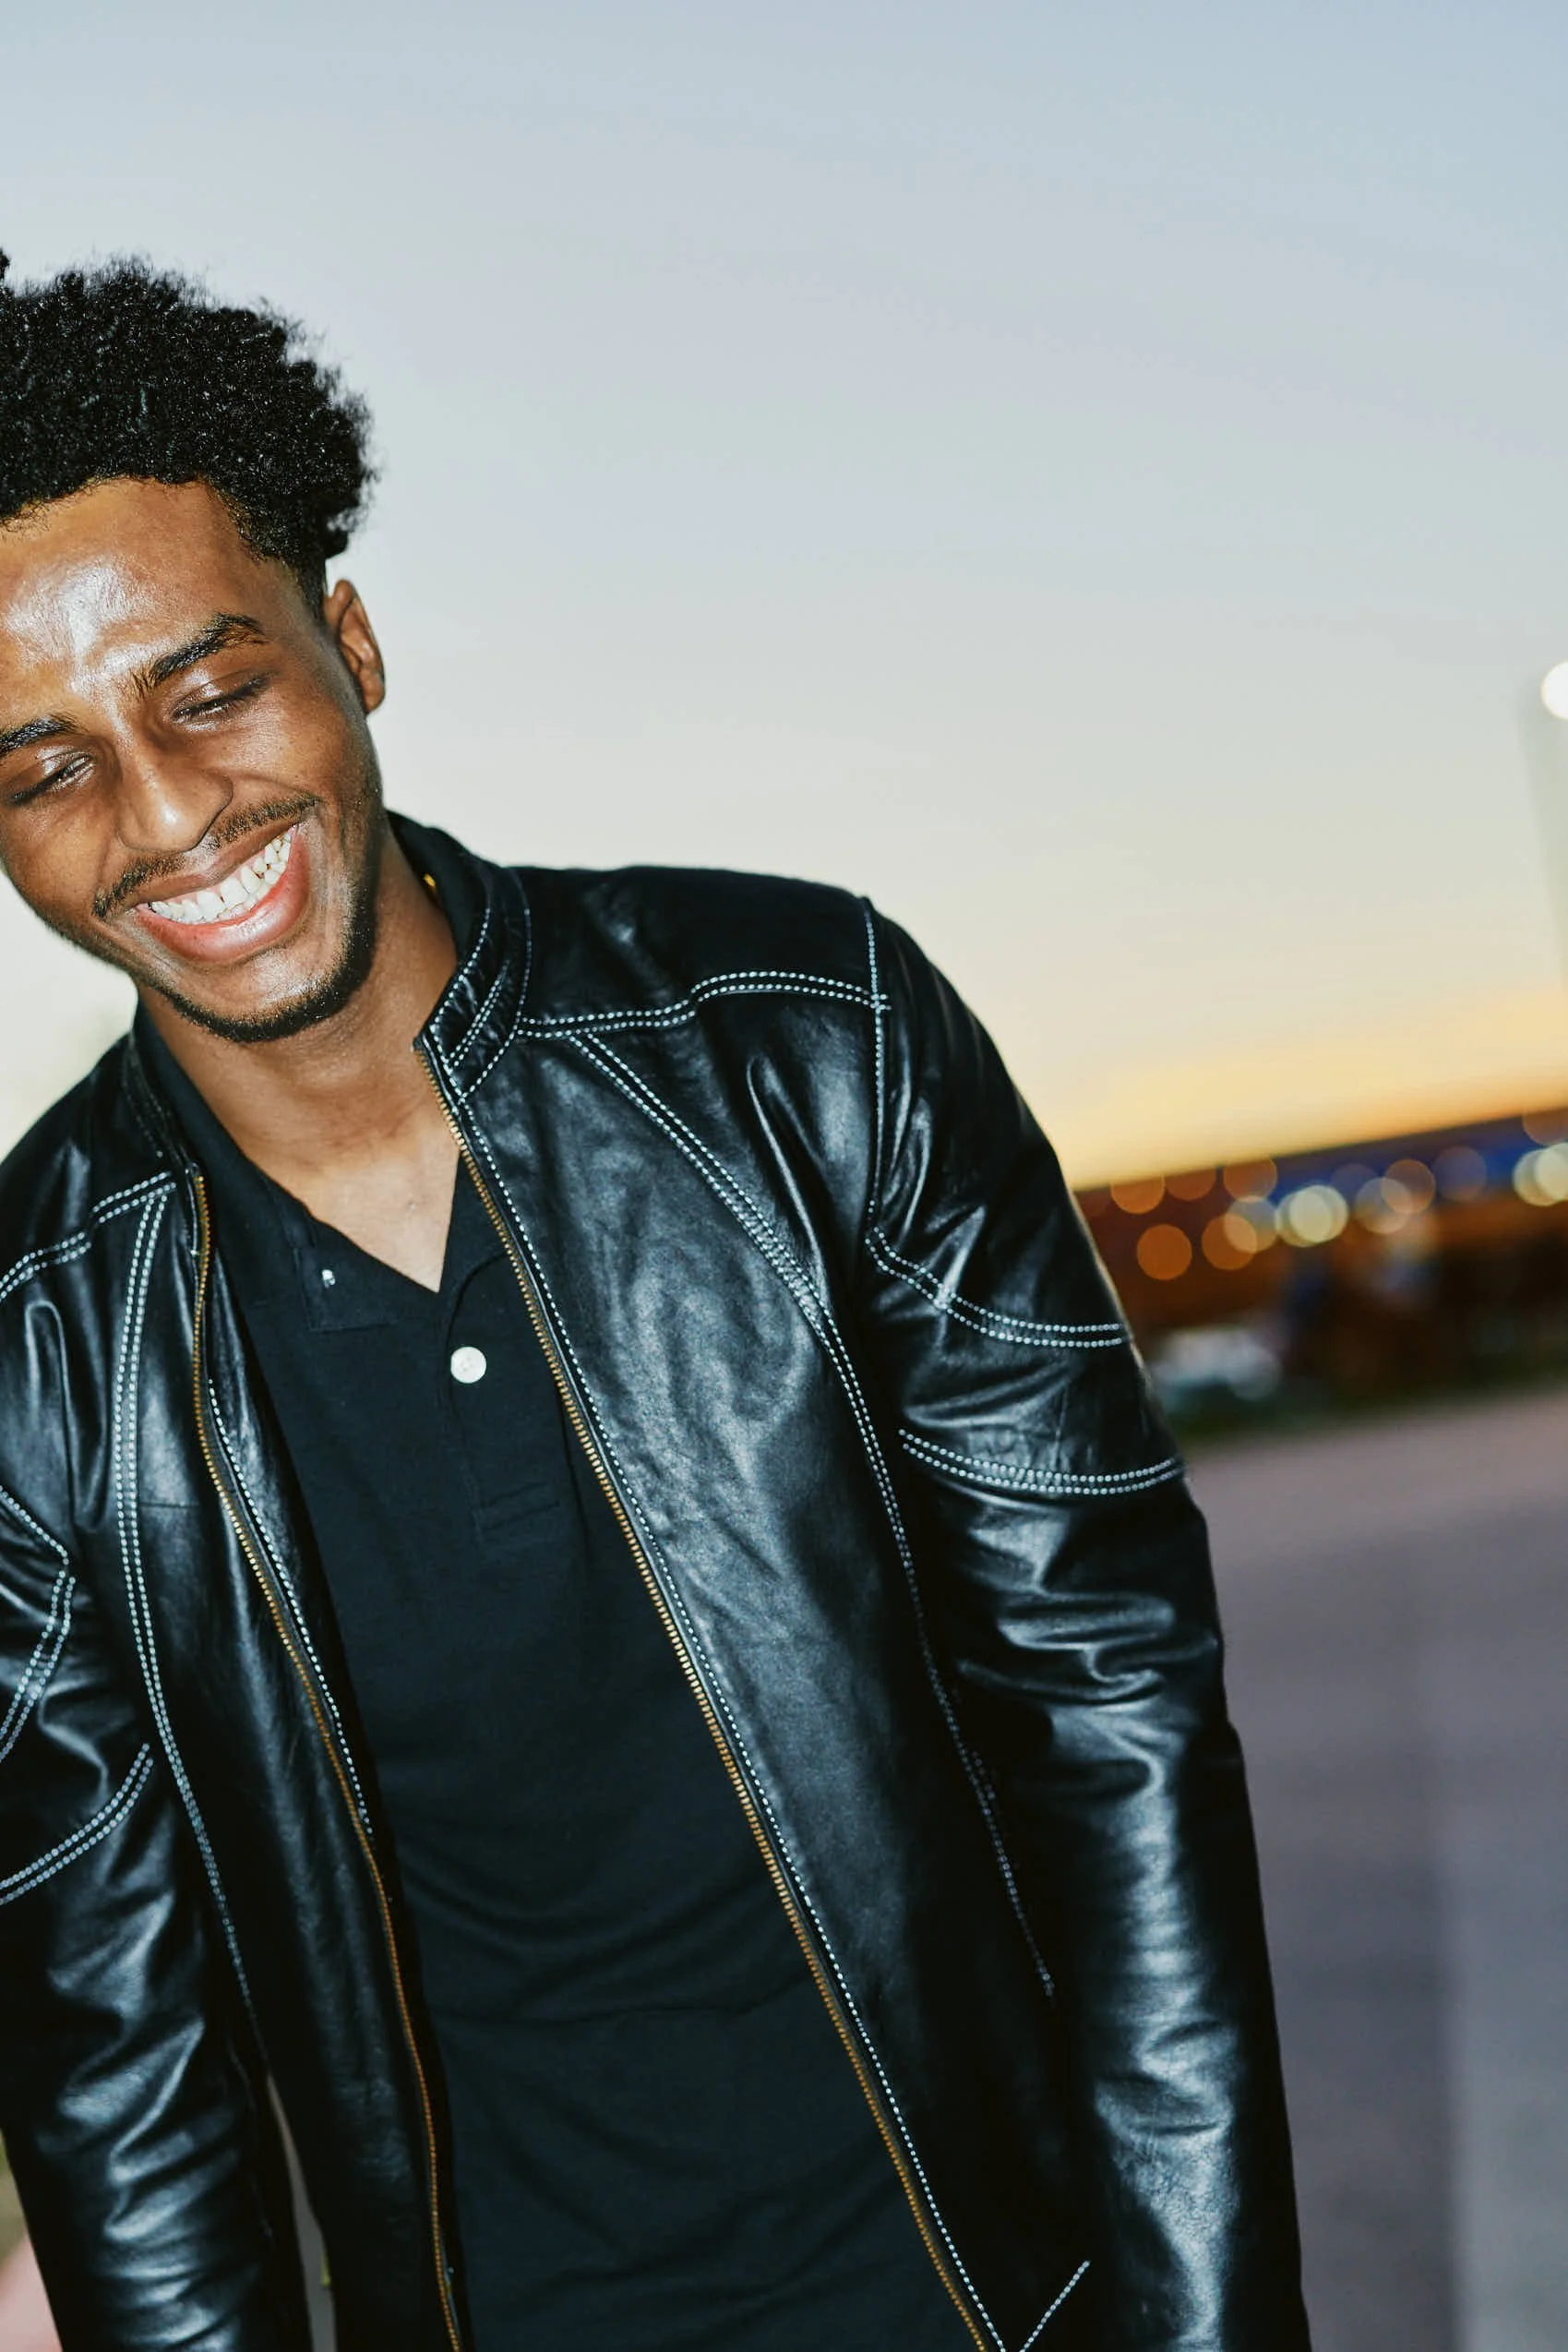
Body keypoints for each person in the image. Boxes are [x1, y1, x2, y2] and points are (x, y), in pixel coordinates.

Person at [0, 253, 1309, 2352]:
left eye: (208, 687)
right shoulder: (36, 1345)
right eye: (42, 768)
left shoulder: (812, 1042)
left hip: (1004, 2299)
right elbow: (113, 2063)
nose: (163, 818)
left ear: (349, 640)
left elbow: (1118, 1727)